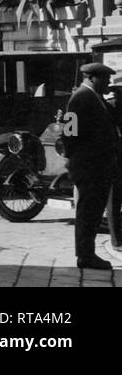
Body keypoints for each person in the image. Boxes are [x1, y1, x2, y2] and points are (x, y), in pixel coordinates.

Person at [63, 62, 121, 270]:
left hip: (98, 166)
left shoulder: (96, 98)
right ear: (91, 78)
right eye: (104, 79)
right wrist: (76, 161)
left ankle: (88, 253)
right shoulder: (80, 98)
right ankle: (85, 256)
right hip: (88, 167)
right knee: (88, 212)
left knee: (94, 212)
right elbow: (69, 133)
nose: (107, 83)